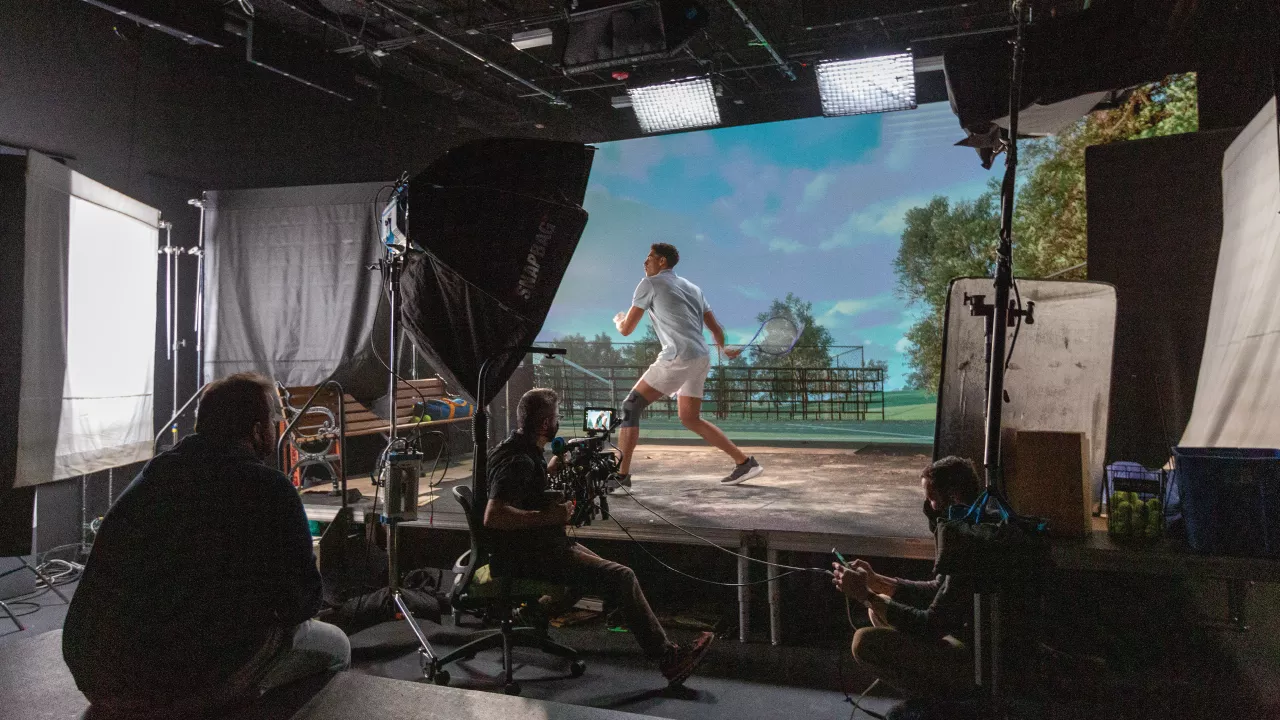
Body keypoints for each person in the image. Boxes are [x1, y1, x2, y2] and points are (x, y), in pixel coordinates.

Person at [63, 373, 349, 717]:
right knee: (336, 647)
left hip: (97, 676)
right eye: (275, 422)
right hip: (180, 685)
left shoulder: (152, 477)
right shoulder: (269, 489)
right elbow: (300, 605)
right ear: (258, 431)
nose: (276, 431)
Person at [484, 387, 714, 687]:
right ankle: (668, 659)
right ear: (544, 424)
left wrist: (552, 469)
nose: (558, 421)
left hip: (536, 546)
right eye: (556, 417)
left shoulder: (516, 450)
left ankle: (535, 613)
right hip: (529, 555)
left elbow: (522, 490)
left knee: (599, 566)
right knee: (622, 577)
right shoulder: (520, 462)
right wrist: (550, 516)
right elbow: (494, 516)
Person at [612, 242, 763, 487]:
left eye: (650, 257)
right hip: (702, 356)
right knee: (690, 418)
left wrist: (619, 320)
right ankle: (745, 463)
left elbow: (627, 329)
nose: (645, 261)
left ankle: (619, 477)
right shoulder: (693, 288)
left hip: (680, 356)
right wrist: (724, 348)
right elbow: (716, 328)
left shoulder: (649, 284)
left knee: (631, 405)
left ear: (662, 262)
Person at [831, 456, 981, 701]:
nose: (929, 508)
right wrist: (877, 582)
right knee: (878, 609)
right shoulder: (973, 526)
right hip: (967, 638)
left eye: (932, 499)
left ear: (952, 498)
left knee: (864, 642)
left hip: (979, 661)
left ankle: (945, 704)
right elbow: (938, 590)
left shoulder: (968, 543)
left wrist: (865, 595)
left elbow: (931, 624)